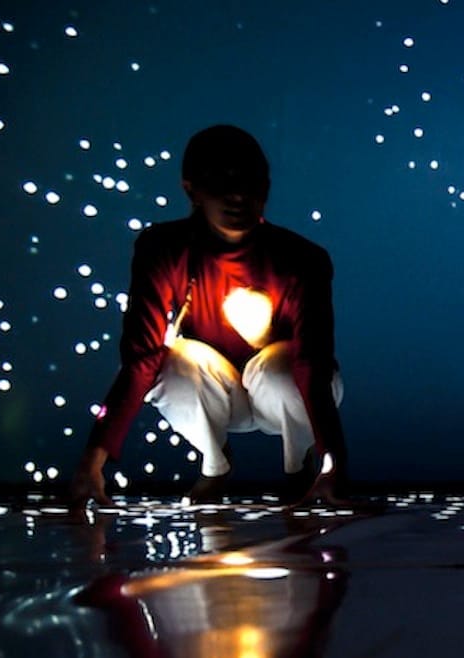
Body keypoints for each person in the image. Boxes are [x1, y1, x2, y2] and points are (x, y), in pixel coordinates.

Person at [69, 124, 346, 506]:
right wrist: (93, 458)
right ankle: (215, 465)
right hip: (214, 392)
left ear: (265, 188)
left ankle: (297, 465)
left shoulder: (303, 259)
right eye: (220, 181)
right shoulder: (163, 249)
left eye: (249, 182)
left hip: (280, 390)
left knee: (278, 367)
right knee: (175, 359)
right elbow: (141, 358)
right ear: (191, 189)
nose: (237, 195)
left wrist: (333, 464)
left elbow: (312, 366)